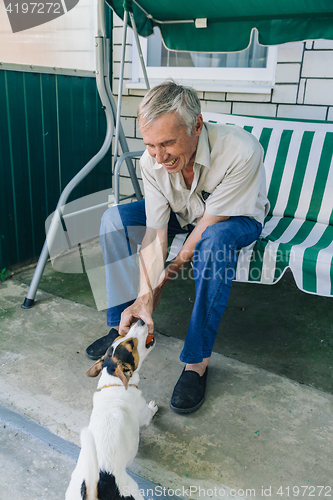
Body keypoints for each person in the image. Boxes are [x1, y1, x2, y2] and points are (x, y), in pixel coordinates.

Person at [86, 81, 269, 414]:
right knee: (115, 221)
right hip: (182, 212)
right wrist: (145, 295)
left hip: (233, 220)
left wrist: (159, 286)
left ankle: (197, 361)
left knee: (213, 243)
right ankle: (121, 326)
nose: (160, 156)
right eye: (151, 145)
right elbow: (156, 234)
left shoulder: (241, 150)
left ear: (197, 125)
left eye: (168, 143)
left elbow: (206, 229)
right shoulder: (151, 162)